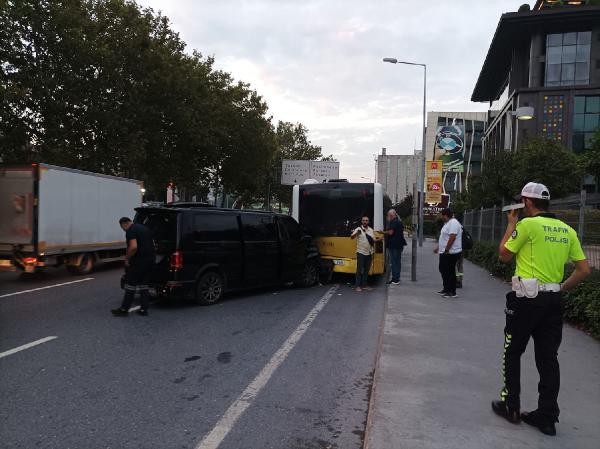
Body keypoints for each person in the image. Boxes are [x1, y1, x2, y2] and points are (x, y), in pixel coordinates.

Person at [491, 182, 591, 436]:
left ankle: (511, 405)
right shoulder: (567, 230)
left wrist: (511, 224)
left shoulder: (527, 225)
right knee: (548, 359)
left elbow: (503, 255)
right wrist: (560, 288)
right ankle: (547, 418)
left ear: (527, 202)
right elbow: (583, 270)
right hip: (553, 300)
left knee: (512, 351)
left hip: (526, 300)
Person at [111, 217, 156, 317]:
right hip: (150, 260)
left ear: (124, 224)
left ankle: (124, 310)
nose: (123, 230)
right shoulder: (144, 228)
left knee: (130, 285)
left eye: (122, 228)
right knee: (144, 284)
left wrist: (127, 258)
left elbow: (133, 246)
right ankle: (144, 309)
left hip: (138, 262)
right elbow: (153, 244)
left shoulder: (131, 230)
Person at [434, 208, 462, 299]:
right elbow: (444, 237)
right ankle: (446, 288)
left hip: (451, 252)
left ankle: (452, 291)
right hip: (445, 252)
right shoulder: (447, 223)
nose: (442, 217)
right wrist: (438, 248)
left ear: (446, 215)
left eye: (442, 215)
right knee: (443, 269)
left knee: (449, 271)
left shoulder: (453, 223)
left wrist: (446, 249)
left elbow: (452, 237)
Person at [350, 215, 378, 292]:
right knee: (359, 270)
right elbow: (352, 237)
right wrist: (356, 234)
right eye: (364, 220)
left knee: (366, 270)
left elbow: (374, 240)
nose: (365, 222)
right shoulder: (358, 229)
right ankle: (357, 286)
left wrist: (379, 240)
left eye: (366, 220)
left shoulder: (371, 230)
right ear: (362, 221)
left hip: (369, 252)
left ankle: (364, 285)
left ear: (368, 222)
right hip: (361, 252)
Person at [383, 209, 407, 285]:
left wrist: (382, 232)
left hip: (394, 246)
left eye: (388, 215)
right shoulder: (398, 222)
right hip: (397, 245)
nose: (387, 217)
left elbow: (390, 232)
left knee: (394, 262)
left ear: (391, 215)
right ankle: (396, 278)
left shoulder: (394, 222)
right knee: (396, 262)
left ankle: (395, 279)